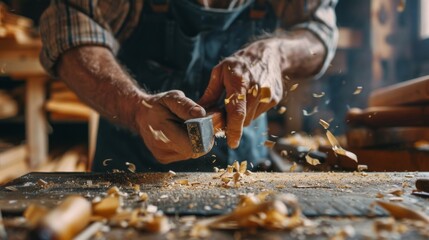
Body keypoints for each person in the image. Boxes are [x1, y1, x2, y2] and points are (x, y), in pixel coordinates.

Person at [39, 0, 338, 172]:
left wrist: (276, 52)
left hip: (243, 171)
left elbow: (318, 30)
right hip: (131, 173)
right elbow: (71, 27)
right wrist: (135, 107)